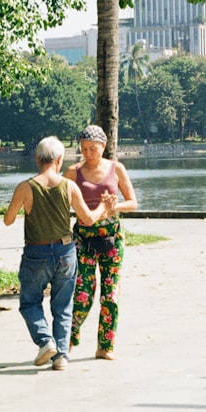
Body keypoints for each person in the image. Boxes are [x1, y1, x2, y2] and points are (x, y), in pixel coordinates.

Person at [4, 136, 114, 371]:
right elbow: (87, 218)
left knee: (30, 302)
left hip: (36, 251)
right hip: (66, 251)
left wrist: (26, 207)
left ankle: (45, 341)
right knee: (62, 306)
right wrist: (104, 208)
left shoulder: (26, 186)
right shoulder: (69, 185)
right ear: (60, 159)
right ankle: (61, 357)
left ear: (37, 159)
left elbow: (8, 219)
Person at [63, 125, 138, 360]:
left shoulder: (117, 169)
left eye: (93, 149)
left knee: (110, 294)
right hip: (83, 239)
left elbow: (133, 202)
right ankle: (70, 338)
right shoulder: (73, 172)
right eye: (84, 149)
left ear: (103, 147)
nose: (88, 154)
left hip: (112, 238)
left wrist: (113, 206)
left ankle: (105, 345)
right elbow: (60, 203)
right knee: (83, 293)